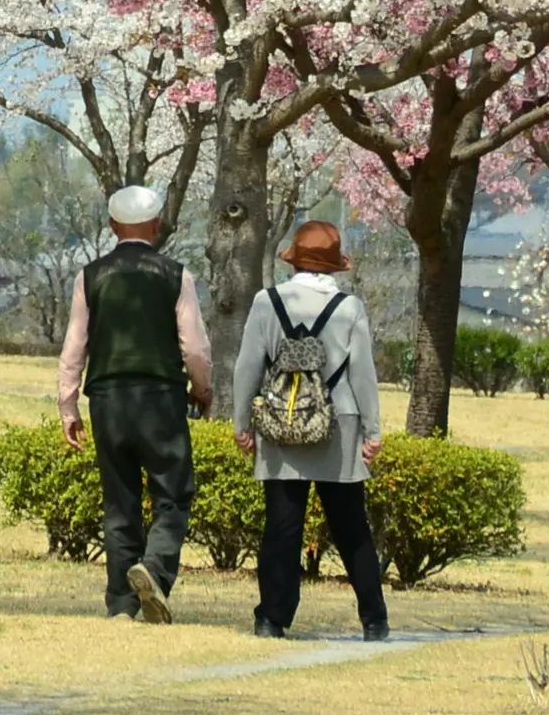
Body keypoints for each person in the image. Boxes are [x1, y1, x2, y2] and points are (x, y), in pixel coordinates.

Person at [56, 184, 213, 623]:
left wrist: (68, 407)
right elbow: (195, 349)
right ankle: (155, 569)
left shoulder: (89, 276)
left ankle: (122, 604)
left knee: (119, 501)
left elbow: (74, 347)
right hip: (160, 397)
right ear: (157, 223)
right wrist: (203, 388)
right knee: (173, 493)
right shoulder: (176, 274)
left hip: (107, 399)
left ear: (111, 226)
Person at [227, 219, 389, 642]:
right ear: (334, 266)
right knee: (351, 526)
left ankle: (272, 618)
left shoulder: (267, 301)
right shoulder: (349, 308)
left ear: (294, 261)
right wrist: (372, 431)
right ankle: (373, 617)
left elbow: (247, 367)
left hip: (282, 422)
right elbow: (363, 375)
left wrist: (242, 423)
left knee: (282, 526)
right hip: (340, 422)